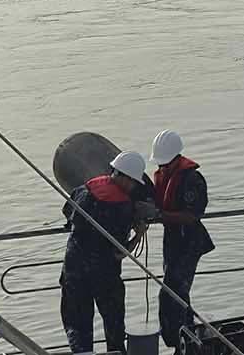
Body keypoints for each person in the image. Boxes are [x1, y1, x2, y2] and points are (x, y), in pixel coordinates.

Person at [60, 151, 151, 353]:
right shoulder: (121, 206)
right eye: (133, 182)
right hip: (105, 276)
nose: (133, 187)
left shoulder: (83, 189)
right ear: (125, 178)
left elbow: (68, 214)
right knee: (114, 327)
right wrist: (138, 234)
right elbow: (119, 252)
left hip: (73, 272)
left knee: (78, 328)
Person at [149, 132, 213, 351]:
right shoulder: (162, 174)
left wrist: (160, 215)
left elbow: (192, 215)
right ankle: (186, 340)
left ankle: (184, 341)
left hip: (189, 241)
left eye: (166, 164)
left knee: (173, 293)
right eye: (161, 164)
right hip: (172, 240)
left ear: (176, 158)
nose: (163, 168)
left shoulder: (192, 179)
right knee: (178, 293)